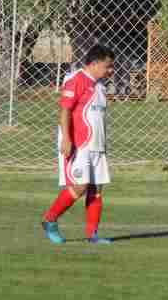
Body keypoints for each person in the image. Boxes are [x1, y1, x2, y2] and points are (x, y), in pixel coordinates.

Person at [41, 44, 116, 244]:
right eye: (108, 66)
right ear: (95, 63)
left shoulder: (100, 86)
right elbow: (65, 111)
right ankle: (50, 219)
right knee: (80, 186)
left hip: (98, 146)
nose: (111, 70)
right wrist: (66, 139)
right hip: (80, 145)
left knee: (96, 189)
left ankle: (93, 235)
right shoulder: (76, 80)